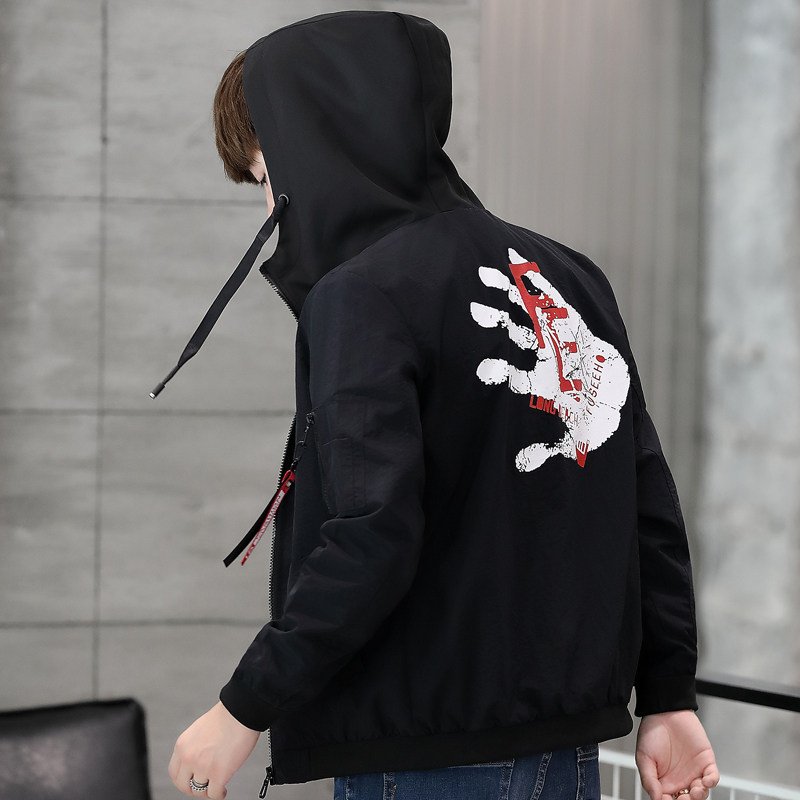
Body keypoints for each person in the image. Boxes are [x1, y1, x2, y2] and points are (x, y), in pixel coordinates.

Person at [165, 11, 719, 800]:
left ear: (313, 146)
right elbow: (646, 507)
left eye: (265, 177)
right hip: (565, 750)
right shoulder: (569, 275)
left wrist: (241, 708)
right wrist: (668, 696)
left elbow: (372, 534)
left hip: (423, 753)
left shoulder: (361, 296)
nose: (270, 210)